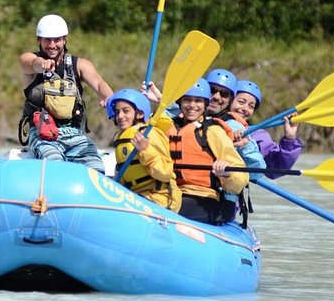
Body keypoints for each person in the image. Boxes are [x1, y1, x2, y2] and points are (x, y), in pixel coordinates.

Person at [18, 14, 113, 172]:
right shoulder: (30, 60)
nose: (52, 45)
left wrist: (109, 98)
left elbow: (99, 83)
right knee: (55, 165)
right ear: (39, 40)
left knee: (96, 169)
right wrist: (42, 64)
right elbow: (29, 63)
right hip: (43, 135)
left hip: (75, 134)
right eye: (47, 40)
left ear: (64, 40)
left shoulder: (80, 65)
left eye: (57, 40)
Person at [166, 78, 249, 224]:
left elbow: (241, 176)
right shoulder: (166, 127)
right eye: (187, 100)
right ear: (179, 102)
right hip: (171, 192)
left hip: (204, 198)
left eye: (198, 101)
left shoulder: (212, 131)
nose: (192, 105)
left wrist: (227, 173)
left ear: (205, 104)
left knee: (171, 206)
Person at [106, 88, 181, 212]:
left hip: (160, 198)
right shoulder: (122, 138)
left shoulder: (150, 133)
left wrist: (145, 150)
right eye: (117, 112)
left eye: (126, 111)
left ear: (139, 113)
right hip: (135, 197)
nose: (120, 116)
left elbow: (165, 174)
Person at [231, 80, 303, 178]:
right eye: (241, 102)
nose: (245, 109)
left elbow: (275, 169)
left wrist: (289, 139)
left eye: (251, 107)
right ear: (229, 100)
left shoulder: (256, 135)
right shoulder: (208, 124)